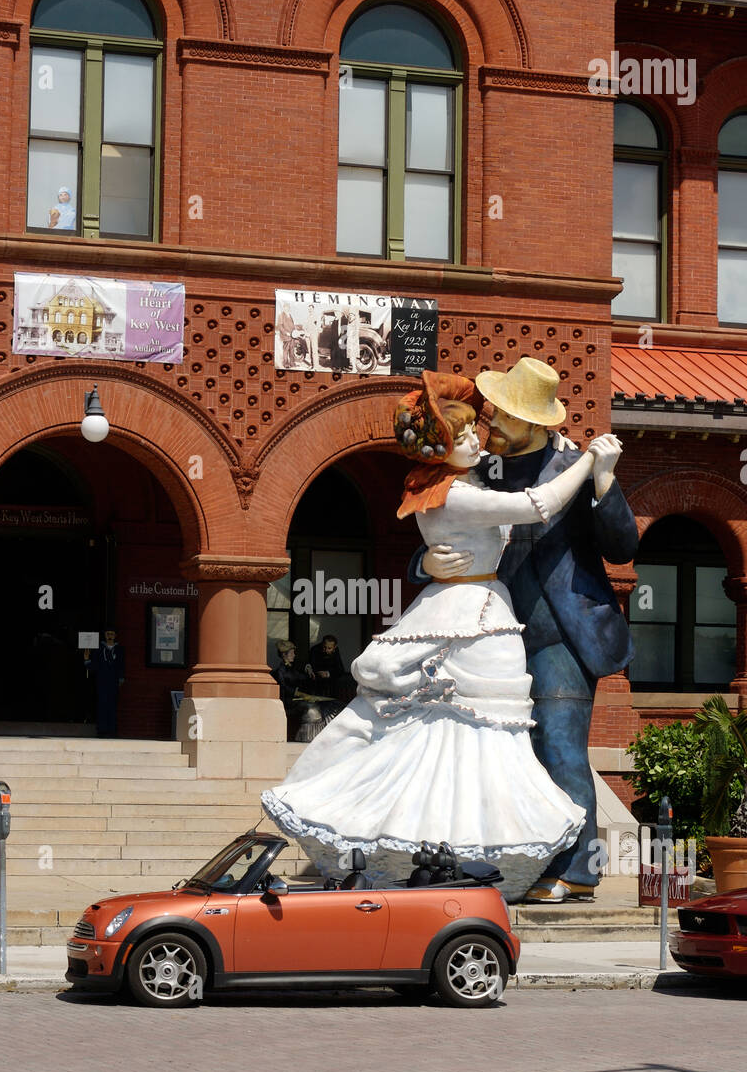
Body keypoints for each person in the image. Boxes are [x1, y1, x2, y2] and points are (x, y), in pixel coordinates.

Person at [261, 372, 619, 898]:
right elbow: (524, 510)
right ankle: (458, 847)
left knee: (509, 742)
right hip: (476, 617)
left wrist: (593, 469)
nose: (484, 431)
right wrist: (425, 561)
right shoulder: (461, 485)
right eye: (471, 430)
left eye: (488, 422)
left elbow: (614, 539)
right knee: (469, 735)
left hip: (520, 622)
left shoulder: (473, 479)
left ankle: (550, 865)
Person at [414, 356, 639, 902]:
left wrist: (605, 484)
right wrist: (426, 566)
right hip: (491, 635)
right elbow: (439, 535)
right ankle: (495, 863)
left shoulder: (578, 464)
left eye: (506, 414)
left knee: (559, 748)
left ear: (537, 423)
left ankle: (579, 871)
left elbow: (624, 547)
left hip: (561, 636)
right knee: (488, 750)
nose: (491, 419)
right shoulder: (477, 471)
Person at [84, 629, 125, 737]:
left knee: (112, 706)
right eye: (108, 634)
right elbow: (94, 666)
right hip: (102, 681)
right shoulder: (99, 649)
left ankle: (111, 730)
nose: (110, 636)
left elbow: (121, 665)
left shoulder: (119, 649)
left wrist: (121, 678)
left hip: (113, 681)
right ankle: (102, 730)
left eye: (112, 634)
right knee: (102, 705)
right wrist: (87, 660)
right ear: (105, 635)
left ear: (115, 635)